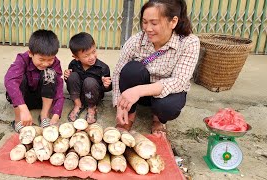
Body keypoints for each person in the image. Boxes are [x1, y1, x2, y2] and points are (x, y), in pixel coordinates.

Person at [112, 0, 200, 137]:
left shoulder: (189, 42)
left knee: (167, 107)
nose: (147, 28)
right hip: (141, 94)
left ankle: (158, 119)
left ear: (173, 22)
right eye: (144, 22)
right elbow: (118, 72)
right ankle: (129, 115)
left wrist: (138, 90)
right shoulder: (137, 41)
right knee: (131, 70)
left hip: (166, 95)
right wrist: (120, 104)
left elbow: (179, 81)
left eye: (154, 23)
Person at [4, 29, 64, 132]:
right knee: (17, 79)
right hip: (23, 99)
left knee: (50, 73)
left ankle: (44, 115)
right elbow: (9, 81)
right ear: (30, 53)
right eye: (41, 59)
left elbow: (59, 89)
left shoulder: (55, 63)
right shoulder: (22, 59)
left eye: (50, 59)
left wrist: (56, 114)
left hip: (42, 99)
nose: (45, 63)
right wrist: (23, 108)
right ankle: (18, 119)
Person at [64, 32, 112, 124]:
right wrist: (66, 76)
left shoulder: (103, 68)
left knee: (90, 81)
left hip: (94, 96)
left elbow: (107, 89)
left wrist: (106, 85)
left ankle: (91, 107)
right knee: (72, 75)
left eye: (93, 52)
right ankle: (78, 104)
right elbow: (71, 83)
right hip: (79, 94)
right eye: (86, 55)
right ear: (76, 57)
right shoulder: (73, 64)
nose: (92, 57)